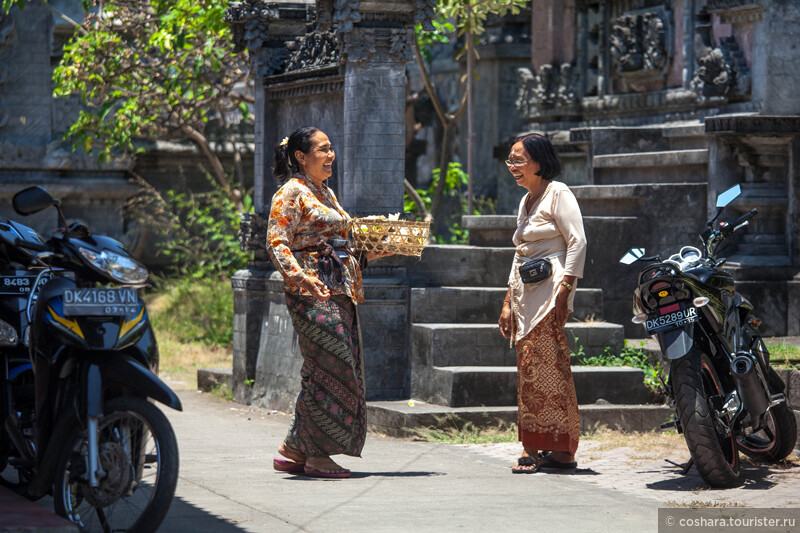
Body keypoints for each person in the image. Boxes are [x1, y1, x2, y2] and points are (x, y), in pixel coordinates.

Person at [266, 126, 389, 479]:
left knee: (325, 368)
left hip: (339, 289)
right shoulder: (291, 192)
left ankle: (294, 449)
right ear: (301, 157)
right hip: (311, 292)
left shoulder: (326, 193)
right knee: (334, 367)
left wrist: (375, 252)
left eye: (331, 148)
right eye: (323, 149)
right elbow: (277, 243)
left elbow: (340, 248)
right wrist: (300, 277)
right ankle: (319, 456)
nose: (331, 154)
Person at [497, 133, 587, 474]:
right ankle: (553, 448)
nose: (513, 167)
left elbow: (578, 241)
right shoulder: (526, 201)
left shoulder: (558, 193)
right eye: (510, 161)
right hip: (525, 295)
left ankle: (541, 448)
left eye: (519, 160)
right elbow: (519, 255)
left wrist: (566, 289)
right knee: (534, 370)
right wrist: (507, 302)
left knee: (544, 368)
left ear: (539, 162)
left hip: (551, 292)